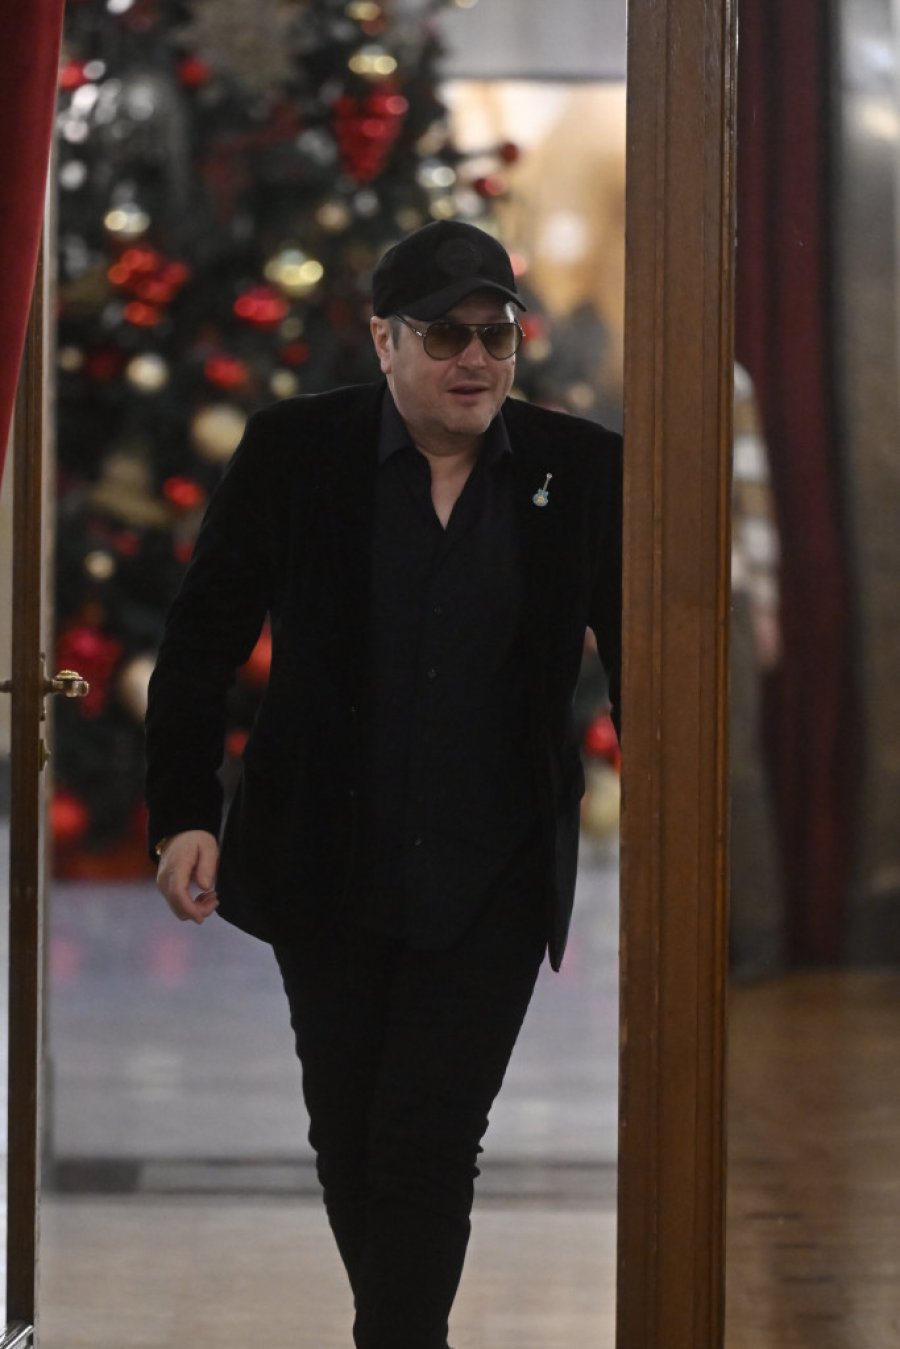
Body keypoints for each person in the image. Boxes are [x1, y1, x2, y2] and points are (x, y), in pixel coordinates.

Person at [145, 218, 622, 1349]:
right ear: (384, 340)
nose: (476, 360)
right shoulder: (293, 452)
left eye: (497, 335)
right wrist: (183, 814)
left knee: (429, 1137)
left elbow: (643, 653)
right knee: (350, 1134)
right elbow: (202, 641)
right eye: (446, 335)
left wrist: (677, 826)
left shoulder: (581, 468)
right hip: (327, 857)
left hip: (494, 868)